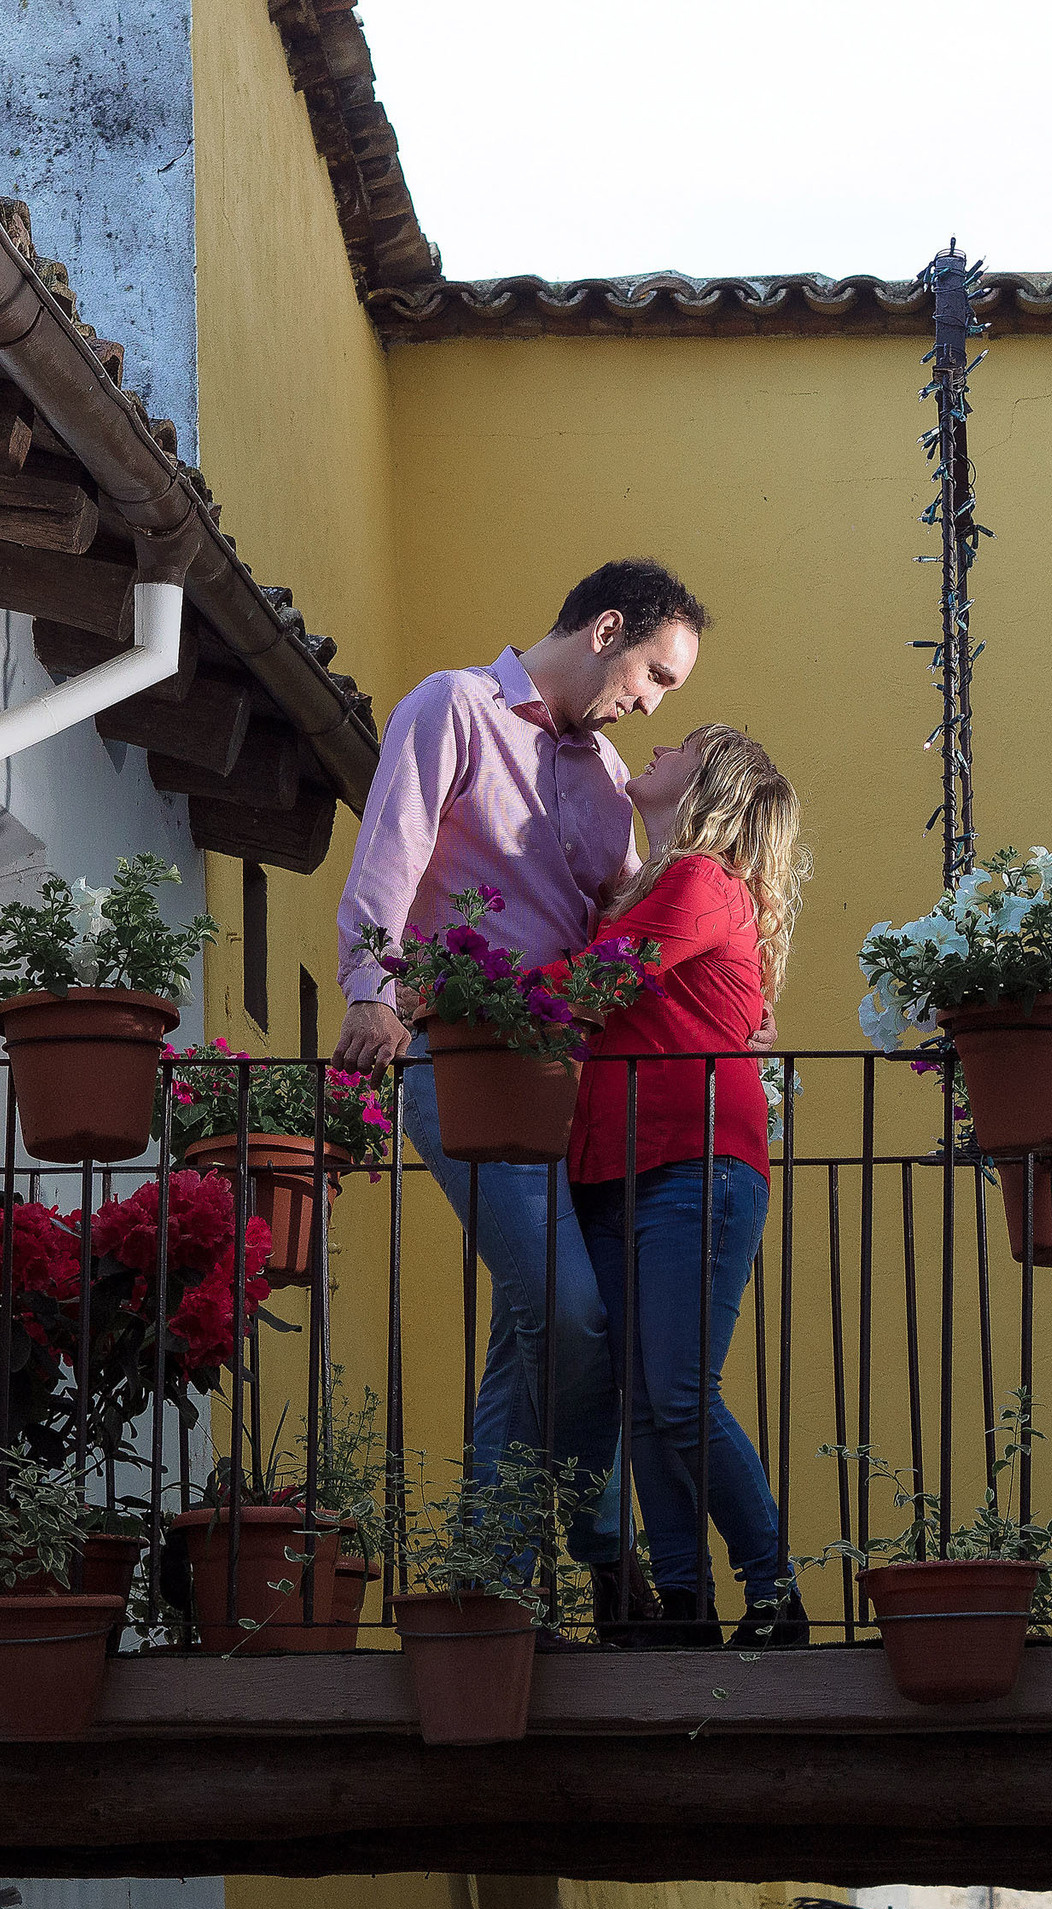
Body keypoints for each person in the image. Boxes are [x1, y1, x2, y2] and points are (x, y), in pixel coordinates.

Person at [332, 558, 711, 1638]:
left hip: (561, 1087)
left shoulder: (603, 776)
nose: (652, 703)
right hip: (458, 1061)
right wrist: (369, 993)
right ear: (605, 630)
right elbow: (390, 851)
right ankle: (603, 1550)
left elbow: (628, 926)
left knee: (529, 1333)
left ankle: (490, 1584)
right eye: (654, 674)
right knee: (572, 1314)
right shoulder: (452, 705)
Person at [558, 723, 810, 1650]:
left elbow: (595, 983)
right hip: (619, 1165)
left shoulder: (701, 880)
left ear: (709, 786)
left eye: (682, 748)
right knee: (646, 1402)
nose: (656, 748)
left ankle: (773, 1596)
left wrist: (457, 991)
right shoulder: (661, 886)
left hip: (692, 1163)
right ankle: (683, 1602)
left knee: (677, 1397)